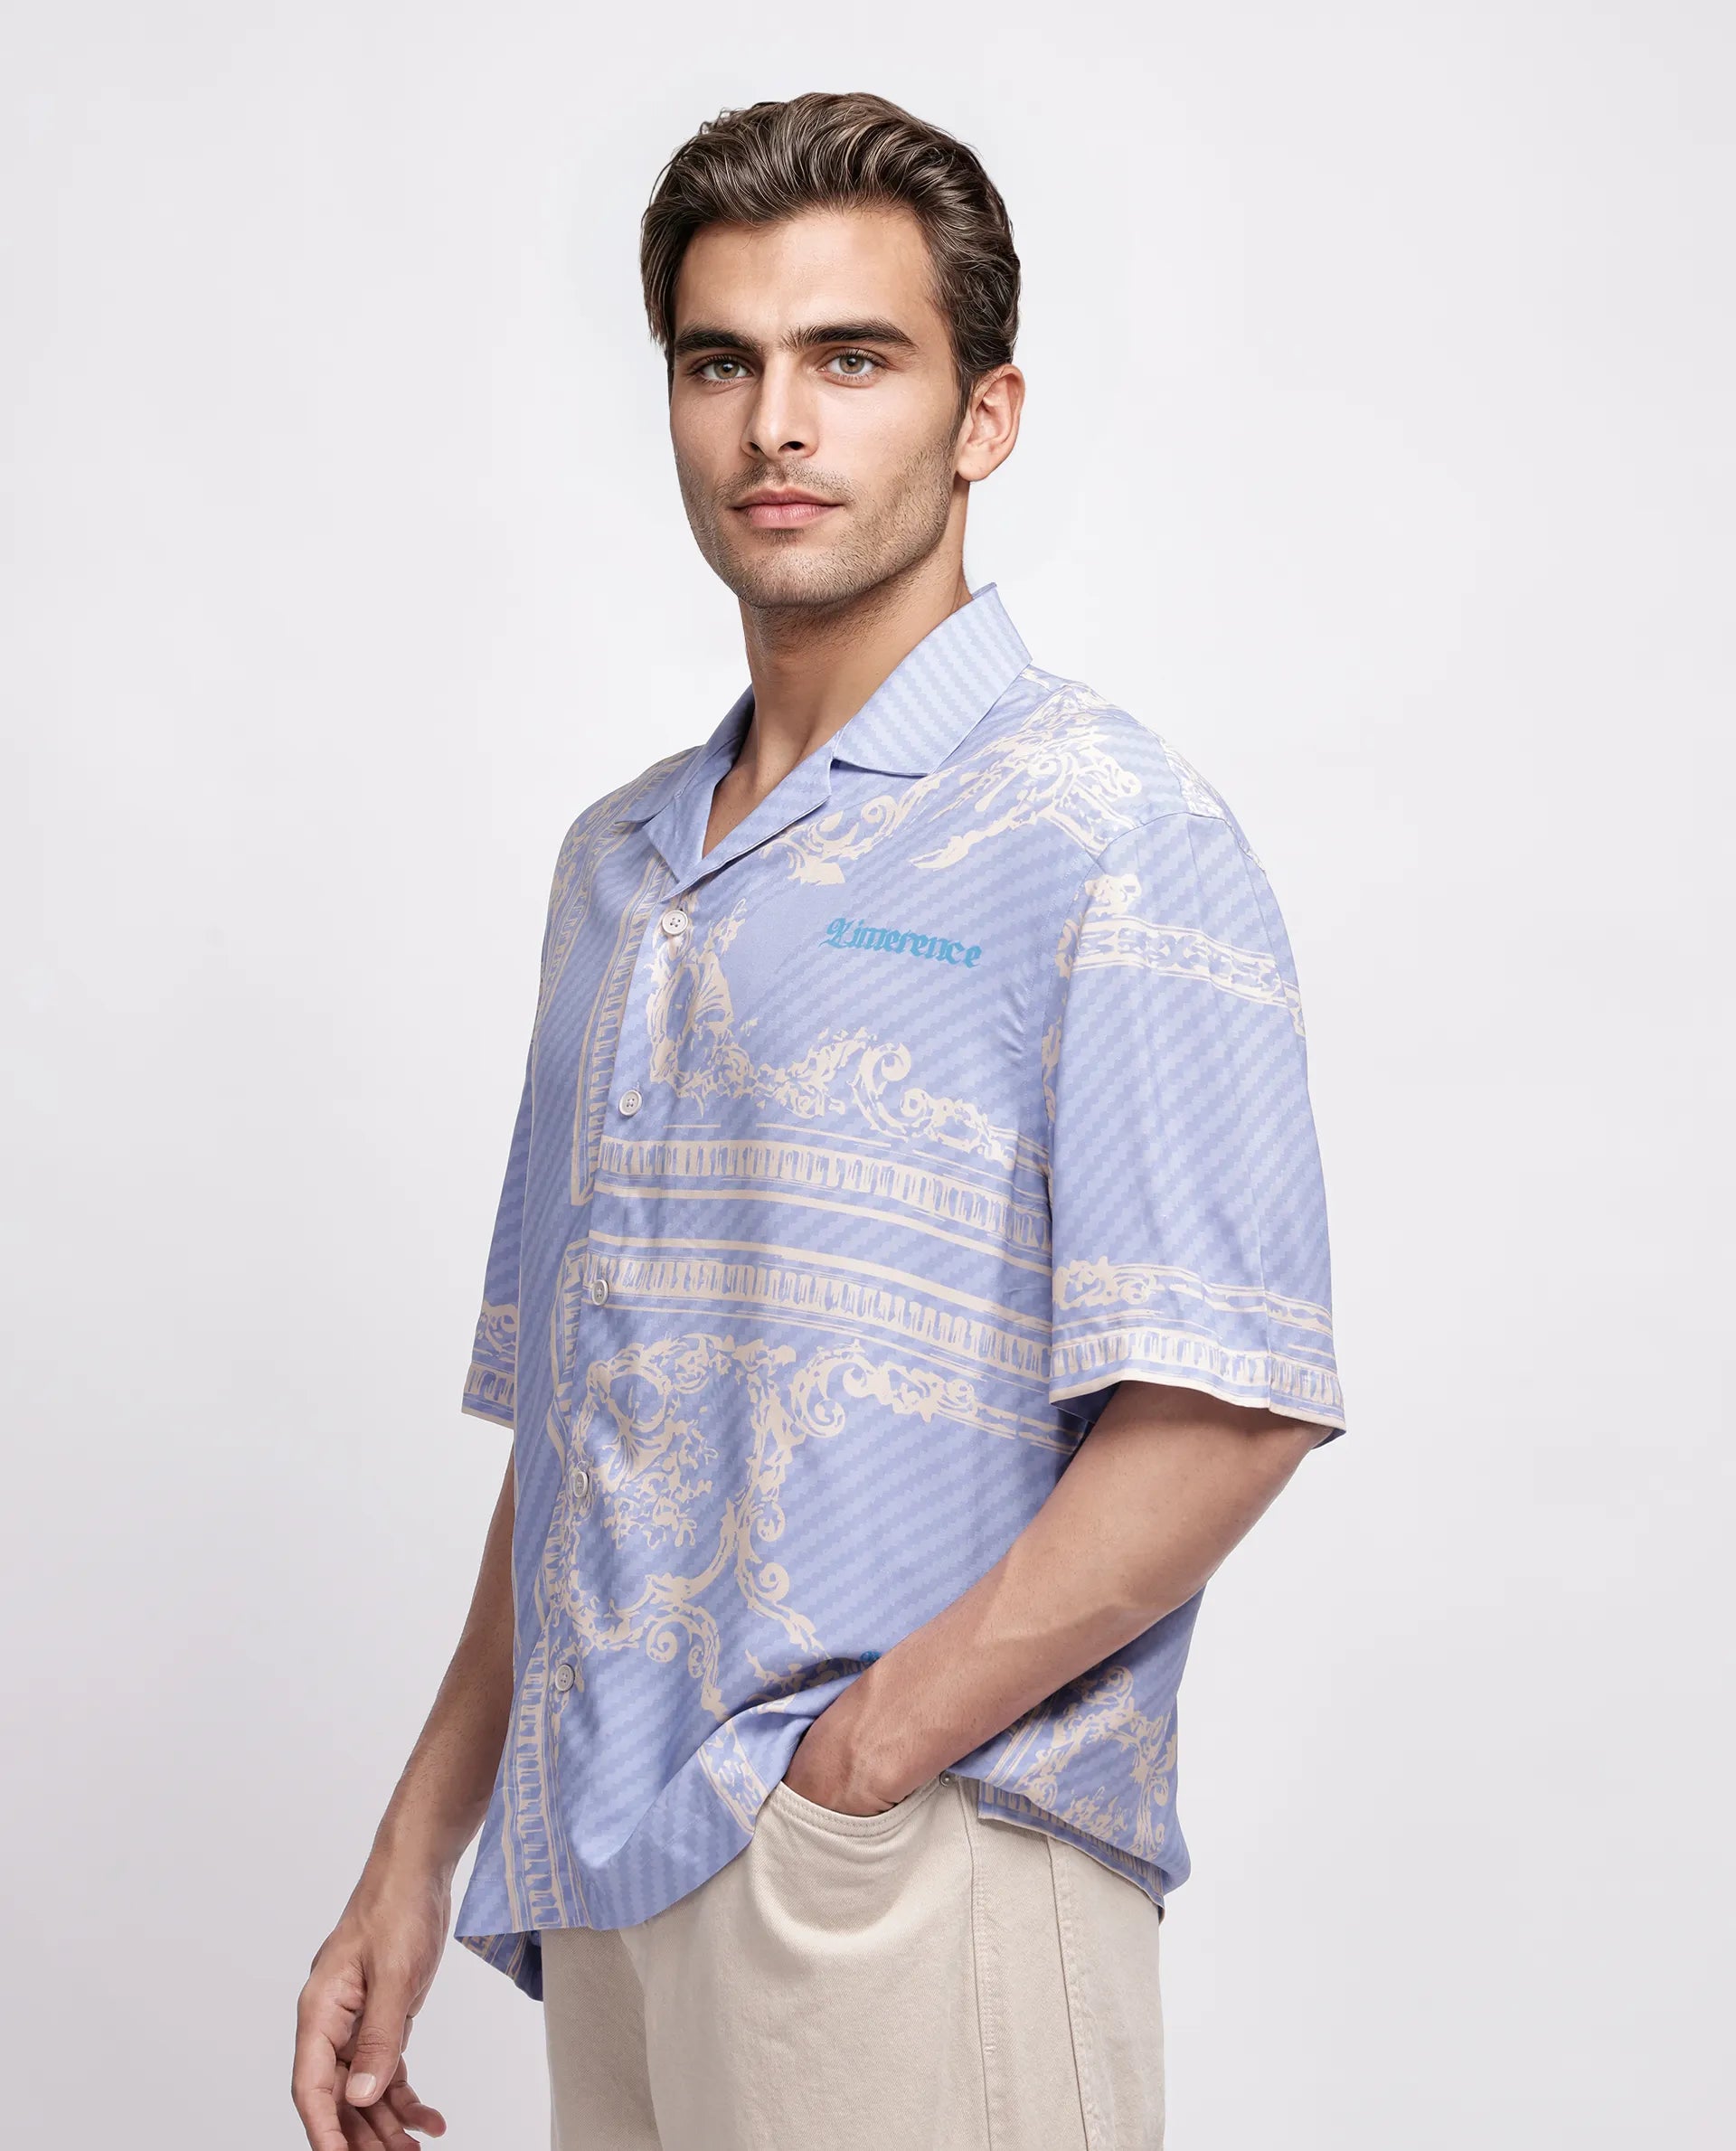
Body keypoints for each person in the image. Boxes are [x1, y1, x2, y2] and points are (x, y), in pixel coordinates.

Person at [292, 90, 1346, 2151]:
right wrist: (416, 1847)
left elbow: (1226, 1408)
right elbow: (589, 1416)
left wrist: (862, 1765)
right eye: (723, 363)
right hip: (602, 1892)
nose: (776, 424)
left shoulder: (1108, 832)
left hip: (900, 1867)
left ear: (983, 415)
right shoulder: (616, 868)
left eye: (852, 359)